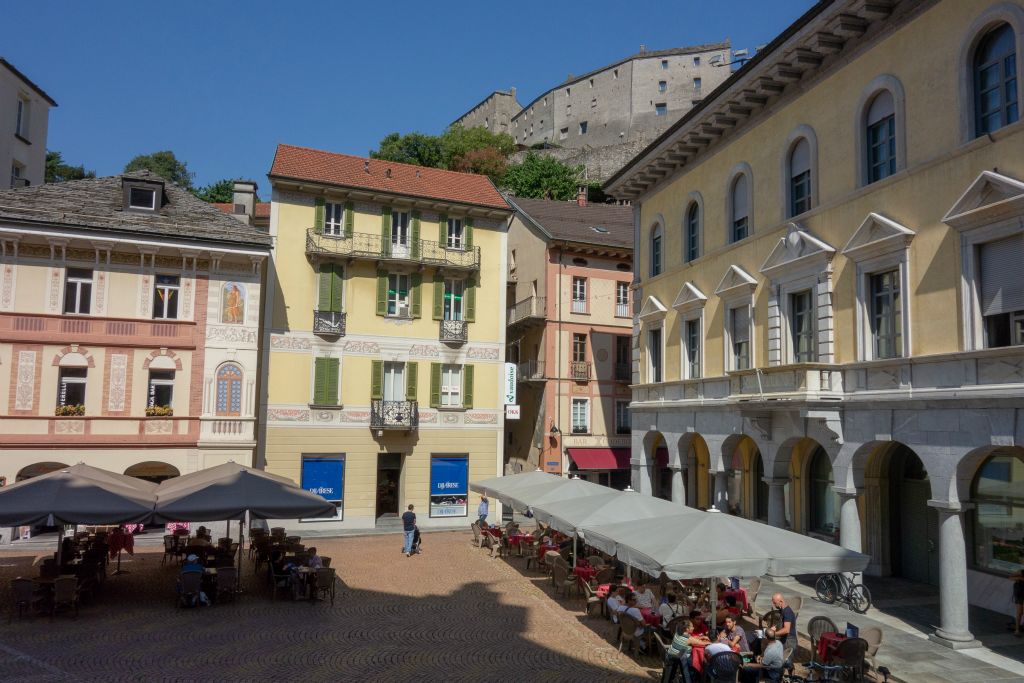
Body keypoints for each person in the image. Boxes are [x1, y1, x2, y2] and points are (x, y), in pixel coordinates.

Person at [660, 618, 709, 683]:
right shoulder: (688, 639)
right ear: (687, 629)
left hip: (673, 655)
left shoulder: (678, 632)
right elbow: (703, 644)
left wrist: (700, 637)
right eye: (692, 627)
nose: (693, 628)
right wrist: (715, 641)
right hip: (678, 657)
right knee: (692, 664)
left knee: (687, 661)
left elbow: (692, 639)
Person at [1012, 570, 1024, 637]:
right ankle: (1017, 630)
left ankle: (1017, 629)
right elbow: (1010, 577)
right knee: (1019, 613)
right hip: (1021, 595)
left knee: (1021, 612)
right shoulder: (1021, 572)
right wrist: (1019, 578)